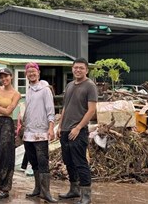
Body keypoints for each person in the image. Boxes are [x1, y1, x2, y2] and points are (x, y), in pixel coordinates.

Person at [57, 58, 98, 204]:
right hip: (65, 130)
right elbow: (65, 107)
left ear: (86, 70)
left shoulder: (90, 86)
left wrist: (78, 127)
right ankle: (73, 189)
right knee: (68, 161)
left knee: (80, 162)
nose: (78, 70)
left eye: (81, 68)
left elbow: (91, 110)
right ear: (72, 69)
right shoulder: (69, 85)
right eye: (75, 68)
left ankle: (86, 195)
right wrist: (60, 126)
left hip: (78, 131)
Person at [22, 62, 57, 203]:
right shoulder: (29, 89)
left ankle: (46, 192)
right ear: (26, 74)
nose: (31, 74)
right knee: (33, 161)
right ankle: (37, 189)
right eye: (29, 72)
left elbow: (50, 109)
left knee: (43, 162)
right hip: (28, 131)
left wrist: (50, 127)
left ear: (38, 73)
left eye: (34, 71)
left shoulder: (45, 89)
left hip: (41, 131)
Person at [0, 68, 21, 200]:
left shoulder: (16, 93)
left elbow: (9, 112)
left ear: (11, 77)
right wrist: (1, 109)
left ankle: (5, 188)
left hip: (7, 124)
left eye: (6, 76)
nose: (3, 79)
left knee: (5, 153)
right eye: (1, 77)